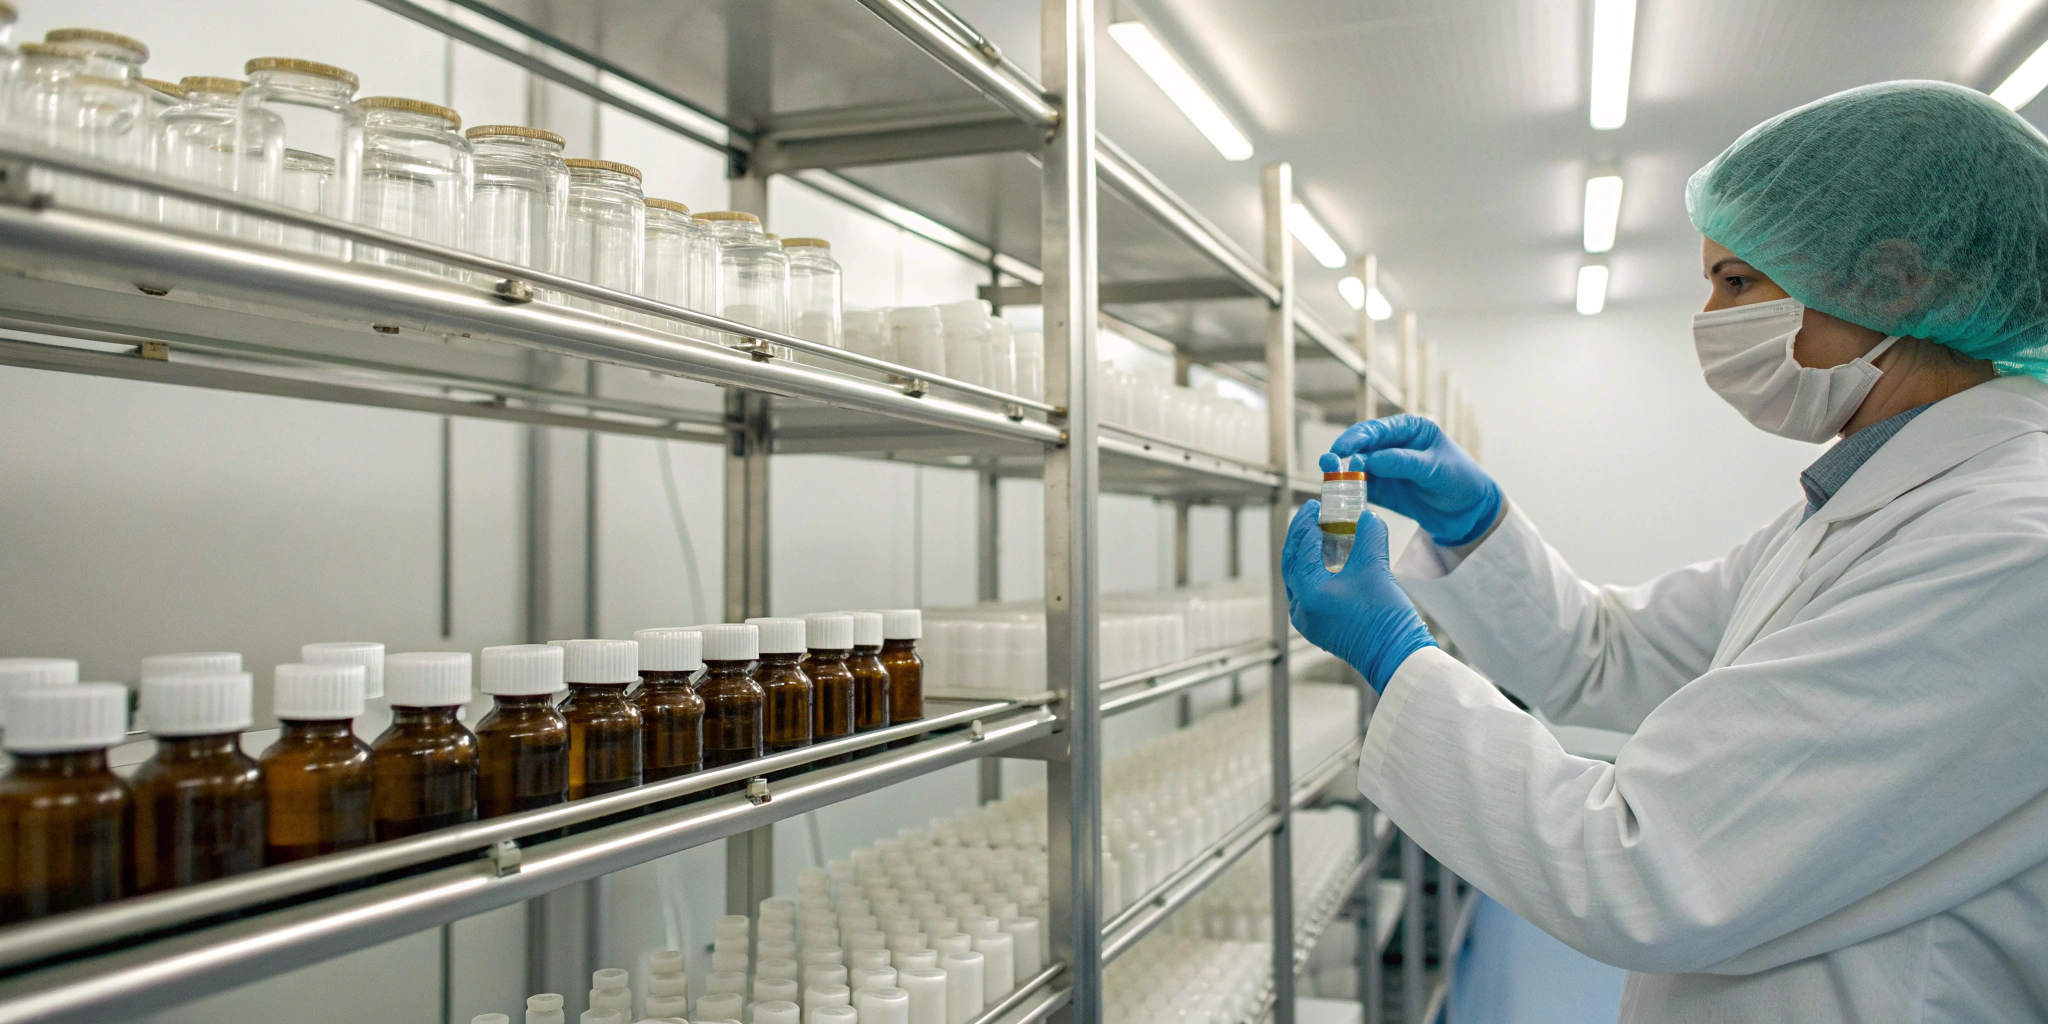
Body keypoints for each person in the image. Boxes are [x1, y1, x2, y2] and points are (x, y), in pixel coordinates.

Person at [1285, 80, 2048, 1022]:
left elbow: (1640, 867)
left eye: (1736, 282)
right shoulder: (1862, 507)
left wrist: (1395, 655)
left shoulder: (2001, 549)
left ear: (1892, 282)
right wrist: (1476, 527)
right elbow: (1613, 654)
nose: (1712, 318)